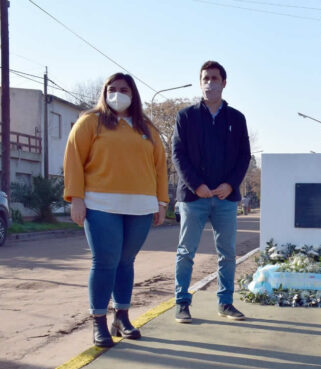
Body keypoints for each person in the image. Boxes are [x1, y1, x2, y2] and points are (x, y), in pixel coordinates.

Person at [64, 73, 169, 347]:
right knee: (105, 262)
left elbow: (160, 166)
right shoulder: (90, 122)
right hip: (100, 204)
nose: (117, 94)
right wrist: (76, 197)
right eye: (112, 89)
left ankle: (121, 317)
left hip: (141, 206)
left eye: (123, 89)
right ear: (104, 93)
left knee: (126, 262)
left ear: (133, 94)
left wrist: (161, 202)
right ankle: (99, 321)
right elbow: (73, 158)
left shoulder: (147, 128)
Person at [172, 60, 251, 323]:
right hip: (194, 198)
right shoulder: (186, 117)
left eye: (214, 78)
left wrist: (230, 185)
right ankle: (182, 302)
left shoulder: (236, 119)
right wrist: (197, 185)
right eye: (205, 78)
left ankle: (225, 303)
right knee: (186, 252)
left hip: (226, 199)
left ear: (224, 83)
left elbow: (244, 157)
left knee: (227, 253)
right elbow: (178, 154)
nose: (210, 83)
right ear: (200, 82)